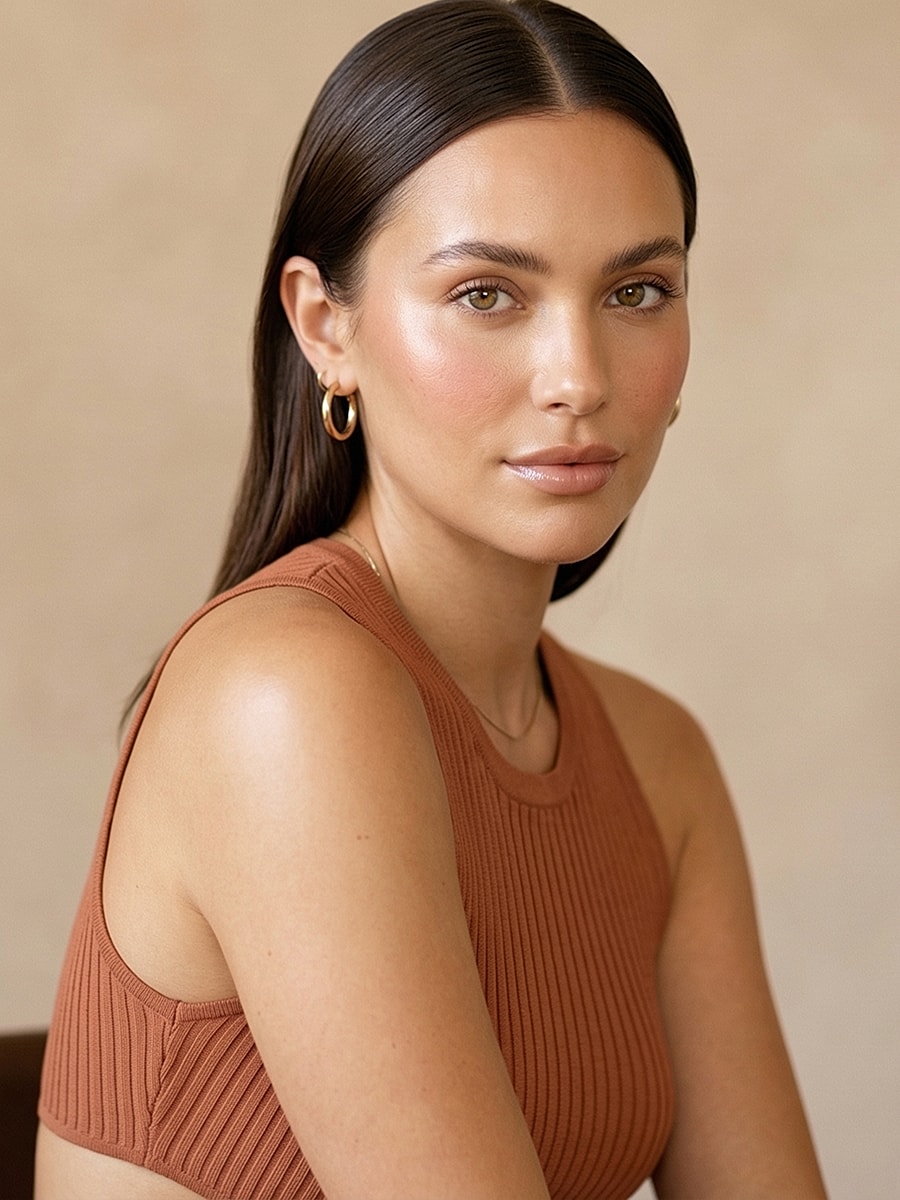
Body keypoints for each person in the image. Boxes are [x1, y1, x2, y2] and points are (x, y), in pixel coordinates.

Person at [35, 1, 828, 1197]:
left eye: (636, 292)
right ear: (326, 327)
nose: (578, 378)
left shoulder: (658, 761)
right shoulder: (284, 699)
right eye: (487, 294)